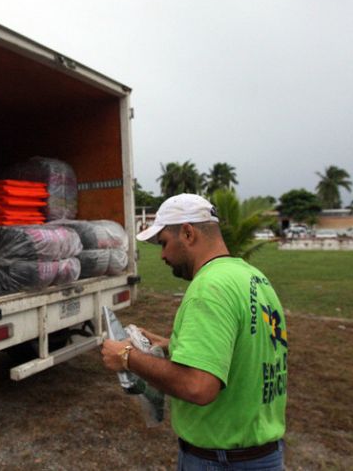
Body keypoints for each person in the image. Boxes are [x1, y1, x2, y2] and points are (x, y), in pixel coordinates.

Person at [102, 193, 288, 470]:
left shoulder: (208, 288)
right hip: (262, 453)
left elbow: (198, 386)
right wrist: (170, 344)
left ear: (187, 233)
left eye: (163, 243)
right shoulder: (251, 276)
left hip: (222, 461)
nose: (163, 255)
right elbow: (245, 345)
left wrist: (127, 357)